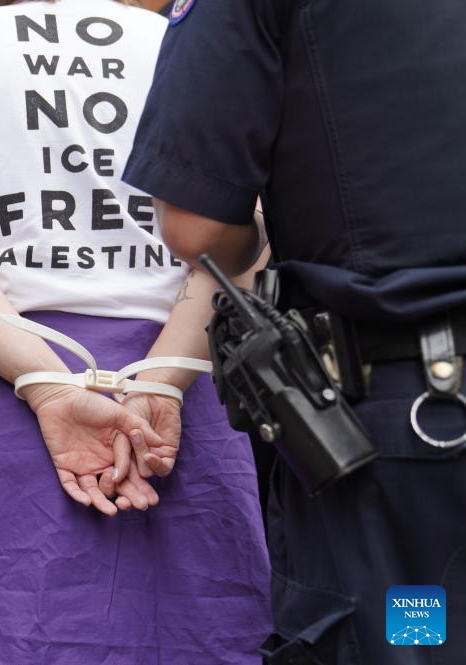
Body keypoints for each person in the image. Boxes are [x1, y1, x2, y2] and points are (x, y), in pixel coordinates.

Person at [0, 0, 272, 662]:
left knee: (8, 638)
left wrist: (47, 383)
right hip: (182, 376)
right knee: (202, 634)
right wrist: (162, 377)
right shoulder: (182, 43)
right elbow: (241, 240)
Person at [122, 1, 466, 663]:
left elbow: (197, 230)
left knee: (413, 639)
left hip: (414, 435)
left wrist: (259, 228)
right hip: (416, 418)